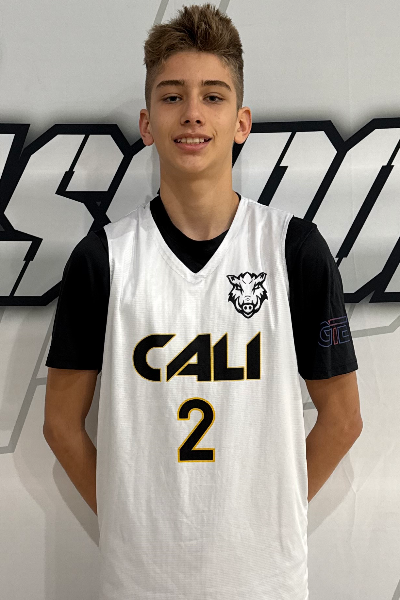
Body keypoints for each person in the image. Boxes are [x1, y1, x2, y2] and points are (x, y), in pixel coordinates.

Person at [43, 4, 362, 599]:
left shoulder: (293, 249)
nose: (192, 112)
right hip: (140, 583)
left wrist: (268, 524)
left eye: (213, 96)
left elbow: (343, 419)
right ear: (147, 123)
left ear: (241, 122)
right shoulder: (102, 259)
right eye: (172, 96)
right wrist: (130, 527)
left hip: (265, 582)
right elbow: (60, 424)